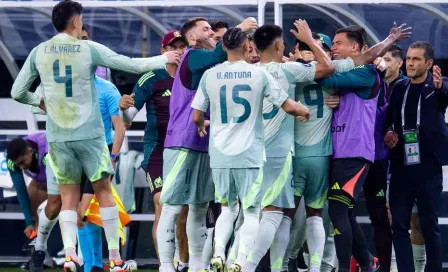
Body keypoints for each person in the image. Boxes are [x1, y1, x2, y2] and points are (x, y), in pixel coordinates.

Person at [10, 0, 179, 271]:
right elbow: (129, 64)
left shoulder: (39, 51)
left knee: (67, 197)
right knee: (103, 192)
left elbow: (17, 92)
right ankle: (114, 256)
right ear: (76, 22)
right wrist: (164, 59)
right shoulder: (87, 49)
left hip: (58, 136)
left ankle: (68, 254)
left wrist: (40, 101)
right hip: (89, 135)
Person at [192, 26, 309, 272]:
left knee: (227, 209)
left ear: (223, 47)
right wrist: (303, 111)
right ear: (247, 46)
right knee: (253, 212)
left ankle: (219, 253)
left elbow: (196, 116)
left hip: (220, 154)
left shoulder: (210, 75)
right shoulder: (257, 74)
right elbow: (287, 106)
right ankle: (240, 261)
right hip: (249, 154)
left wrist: (202, 126)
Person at [244, 21, 357, 272]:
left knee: (282, 215)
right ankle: (313, 267)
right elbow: (342, 65)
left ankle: (280, 266)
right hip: (318, 155)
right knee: (314, 215)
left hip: (291, 154)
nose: (306, 52)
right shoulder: (329, 75)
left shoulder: (288, 70)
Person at [155, 16, 256, 272]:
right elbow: (217, 56)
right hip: (181, 142)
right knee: (172, 206)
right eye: (206, 29)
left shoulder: (214, 69)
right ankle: (166, 266)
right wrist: (239, 29)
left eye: (212, 29)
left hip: (206, 144)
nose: (212, 33)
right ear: (193, 38)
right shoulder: (193, 55)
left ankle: (198, 266)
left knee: (199, 208)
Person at [317, 23, 411, 272]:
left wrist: (315, 48)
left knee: (338, 209)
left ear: (355, 47)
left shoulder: (366, 73)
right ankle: (368, 262)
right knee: (344, 212)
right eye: (333, 43)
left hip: (356, 154)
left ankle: (344, 267)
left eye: (338, 43)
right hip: (338, 153)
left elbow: (326, 77)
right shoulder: (354, 75)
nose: (334, 48)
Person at [120, 30, 191, 271]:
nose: (180, 51)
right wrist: (123, 108)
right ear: (163, 52)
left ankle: (184, 262)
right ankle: (165, 265)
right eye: (175, 46)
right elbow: (128, 116)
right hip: (158, 150)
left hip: (186, 149)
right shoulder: (151, 77)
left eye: (183, 46)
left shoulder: (195, 76)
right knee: (162, 202)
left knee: (185, 210)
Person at [384, 41, 448, 272]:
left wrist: (441, 87)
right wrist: (389, 131)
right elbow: (388, 118)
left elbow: (445, 94)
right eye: (409, 58)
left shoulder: (436, 87)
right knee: (399, 225)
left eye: (416, 59)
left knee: (428, 224)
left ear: (429, 64)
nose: (410, 63)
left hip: (428, 166)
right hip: (401, 166)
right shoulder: (399, 88)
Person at [6, 134, 60, 272]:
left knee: (58, 209)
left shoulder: (46, 151)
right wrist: (29, 222)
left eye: (22, 162)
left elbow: (61, 179)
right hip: (44, 180)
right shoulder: (13, 161)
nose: (21, 168)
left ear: (30, 151)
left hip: (65, 177)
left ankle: (72, 253)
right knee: (33, 207)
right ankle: (41, 256)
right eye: (18, 164)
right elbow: (21, 192)